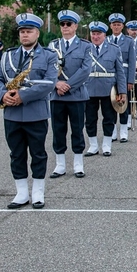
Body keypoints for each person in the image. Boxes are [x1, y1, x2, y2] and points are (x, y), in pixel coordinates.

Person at [0, 13, 58, 209]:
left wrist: (23, 96)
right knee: (16, 154)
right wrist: (3, 95)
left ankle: (37, 192)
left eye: (29, 31)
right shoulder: (8, 55)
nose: (25, 35)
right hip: (11, 113)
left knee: (38, 153)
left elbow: (49, 83)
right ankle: (21, 193)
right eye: (22, 31)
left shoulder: (49, 55)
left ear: (37, 33)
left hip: (36, 113)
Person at [48, 10, 92, 179]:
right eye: (62, 24)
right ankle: (60, 165)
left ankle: (78, 163)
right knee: (58, 130)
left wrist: (67, 85)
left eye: (69, 24)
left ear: (75, 26)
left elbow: (85, 69)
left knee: (77, 129)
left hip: (76, 95)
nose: (65, 27)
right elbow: (47, 69)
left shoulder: (85, 45)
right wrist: (56, 84)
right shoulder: (53, 45)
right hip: (57, 94)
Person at [84, 21, 127, 157]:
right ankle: (93, 145)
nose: (96, 37)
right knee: (90, 119)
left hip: (108, 89)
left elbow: (120, 72)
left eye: (98, 34)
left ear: (104, 35)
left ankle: (107, 145)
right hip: (89, 88)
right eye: (93, 34)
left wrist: (122, 91)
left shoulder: (114, 49)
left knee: (109, 117)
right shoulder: (85, 48)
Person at [107, 13, 136, 142]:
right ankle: (112, 131)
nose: (116, 27)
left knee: (123, 103)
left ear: (122, 26)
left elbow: (132, 62)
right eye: (114, 24)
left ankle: (124, 131)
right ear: (110, 26)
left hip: (123, 75)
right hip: (109, 76)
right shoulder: (106, 40)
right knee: (111, 104)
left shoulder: (128, 41)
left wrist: (130, 80)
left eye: (118, 24)